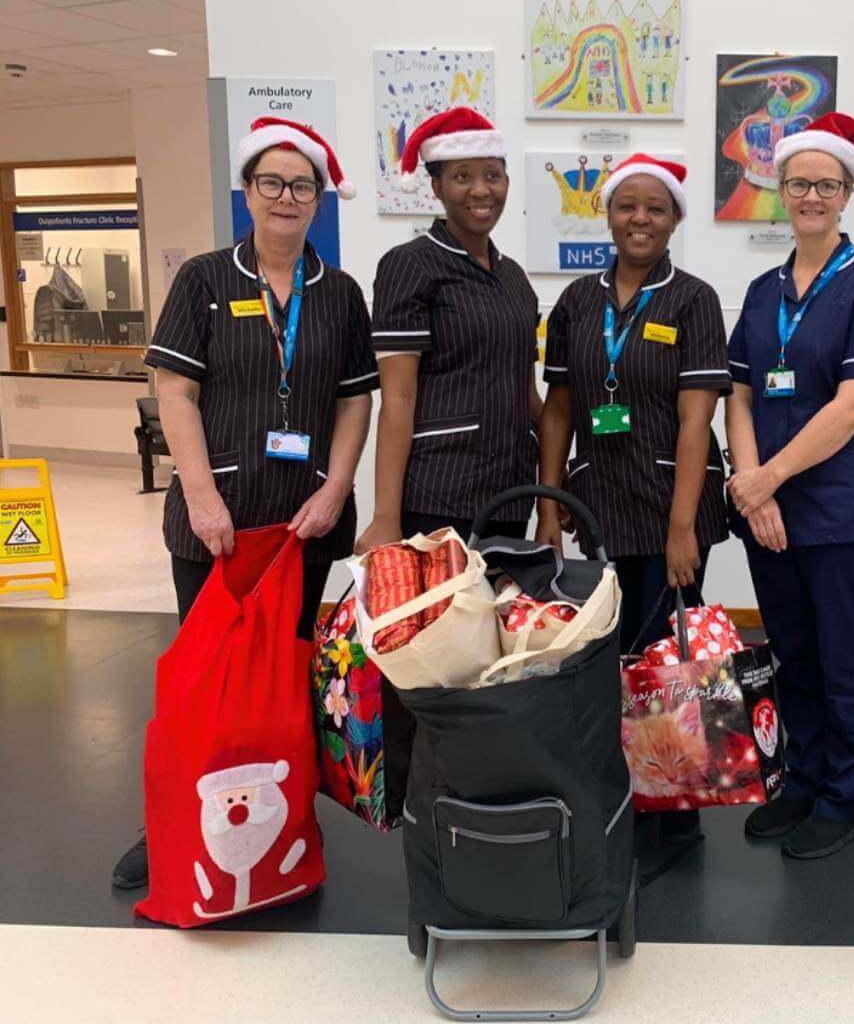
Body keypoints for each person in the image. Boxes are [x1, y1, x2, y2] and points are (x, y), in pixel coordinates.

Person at [115, 117, 375, 889]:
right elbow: (175, 391)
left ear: (318, 199)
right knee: (206, 679)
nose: (286, 197)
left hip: (305, 525)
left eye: (302, 185)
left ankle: (282, 815)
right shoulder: (204, 279)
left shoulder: (341, 293)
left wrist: (335, 486)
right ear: (248, 192)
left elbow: (356, 401)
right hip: (218, 524)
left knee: (289, 677)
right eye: (272, 183)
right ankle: (168, 826)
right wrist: (200, 496)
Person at [536, 155, 730, 845]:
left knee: (667, 663)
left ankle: (672, 817)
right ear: (606, 215)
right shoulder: (576, 302)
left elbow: (693, 420)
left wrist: (682, 528)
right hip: (598, 509)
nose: (639, 218)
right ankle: (620, 791)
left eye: (654, 208)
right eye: (626, 206)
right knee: (604, 659)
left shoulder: (693, 300)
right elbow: (557, 408)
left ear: (675, 218)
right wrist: (549, 505)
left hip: (670, 507)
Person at [725, 112, 854, 860]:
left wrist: (766, 477)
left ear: (847, 192)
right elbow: (737, 391)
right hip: (768, 511)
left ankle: (844, 796)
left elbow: (851, 404)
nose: (809, 196)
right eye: (797, 183)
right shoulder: (763, 289)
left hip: (837, 511)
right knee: (791, 652)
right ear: (779, 191)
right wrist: (750, 488)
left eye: (825, 185)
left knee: (846, 657)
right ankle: (801, 778)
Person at [356, 108, 541, 552]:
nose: (481, 190)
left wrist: (560, 479)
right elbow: (397, 398)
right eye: (462, 177)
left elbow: (527, 393)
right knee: (445, 621)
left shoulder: (514, 277)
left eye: (493, 175)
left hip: (512, 494)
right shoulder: (410, 265)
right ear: (437, 187)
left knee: (497, 617)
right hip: (440, 492)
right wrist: (385, 516)